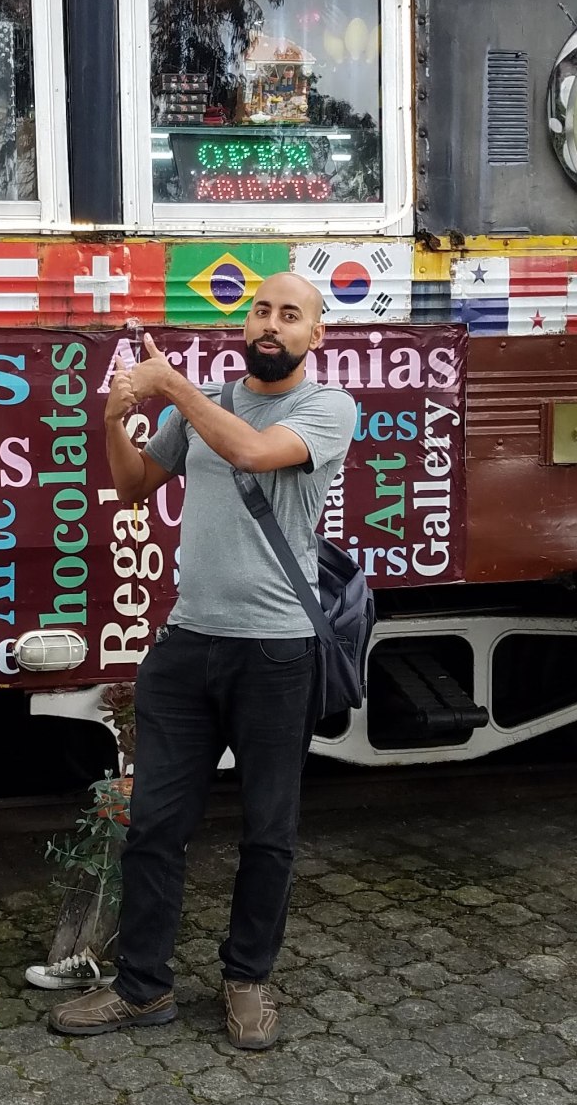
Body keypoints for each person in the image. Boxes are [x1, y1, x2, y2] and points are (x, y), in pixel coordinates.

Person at [50, 273, 356, 1050]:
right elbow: (131, 484)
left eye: (292, 316)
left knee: (269, 831)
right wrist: (117, 417)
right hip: (188, 646)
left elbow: (251, 452)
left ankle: (248, 979)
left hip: (277, 650)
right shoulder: (209, 401)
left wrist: (170, 385)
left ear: (316, 337)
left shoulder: (327, 409)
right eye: (262, 310)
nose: (272, 326)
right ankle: (143, 989)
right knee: (154, 825)